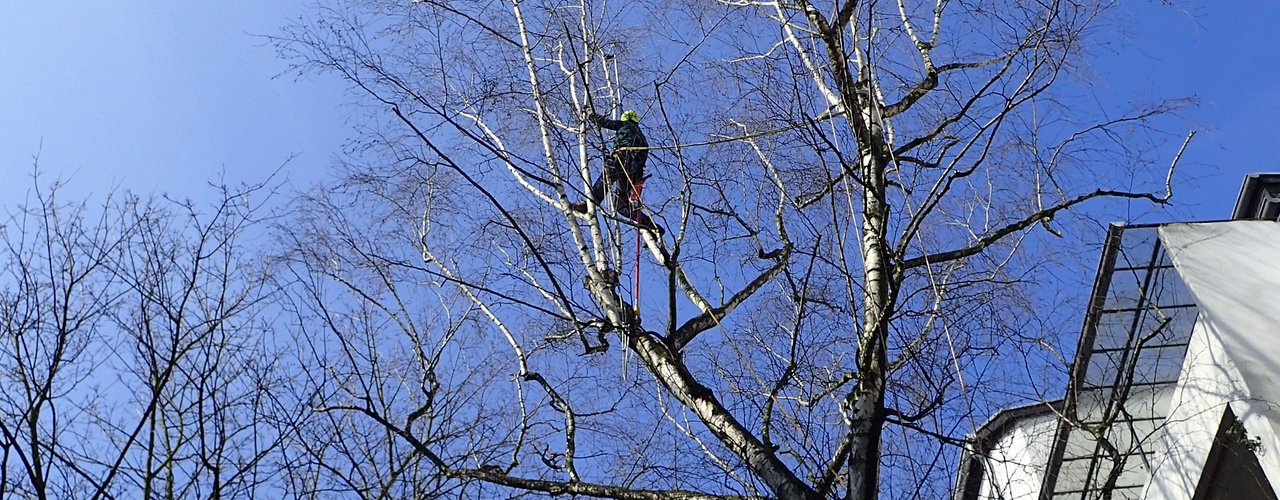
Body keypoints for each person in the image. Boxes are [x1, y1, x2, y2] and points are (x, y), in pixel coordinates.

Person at [572, 109, 661, 234]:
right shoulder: (641, 136)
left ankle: (590, 202)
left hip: (623, 158)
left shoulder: (624, 126)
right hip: (634, 170)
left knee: (608, 173)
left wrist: (591, 113)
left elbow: (604, 122)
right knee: (621, 205)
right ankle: (651, 226)